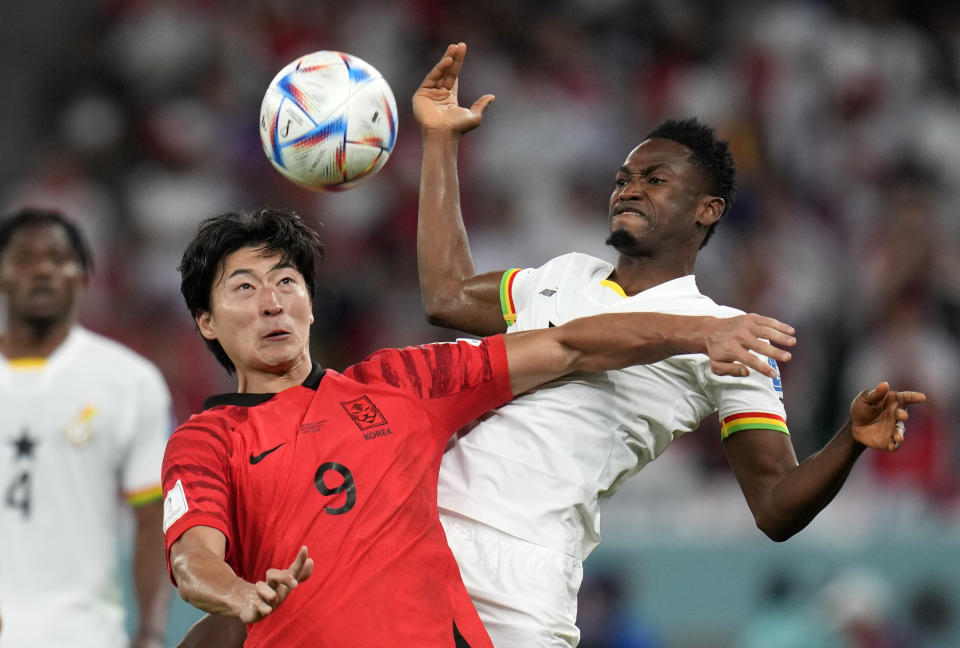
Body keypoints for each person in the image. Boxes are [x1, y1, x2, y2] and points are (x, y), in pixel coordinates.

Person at [411, 43, 926, 646]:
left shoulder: (731, 334)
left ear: (707, 210)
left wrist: (849, 442)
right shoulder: (559, 274)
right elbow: (445, 296)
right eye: (624, 178)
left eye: (655, 180)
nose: (629, 190)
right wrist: (442, 141)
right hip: (426, 525)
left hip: (527, 568)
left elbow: (775, 506)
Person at [162, 208, 800, 647]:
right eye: (243, 287)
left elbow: (572, 345)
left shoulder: (398, 385)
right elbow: (193, 561)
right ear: (207, 323)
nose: (272, 300)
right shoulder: (206, 441)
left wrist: (705, 330)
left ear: (309, 300)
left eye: (287, 281)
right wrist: (240, 594)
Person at [0, 208, 173, 648]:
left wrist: (151, 634)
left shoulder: (130, 383)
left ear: (84, 276)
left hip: (84, 636)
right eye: (23, 259)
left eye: (58, 258)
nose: (41, 269)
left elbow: (154, 520)